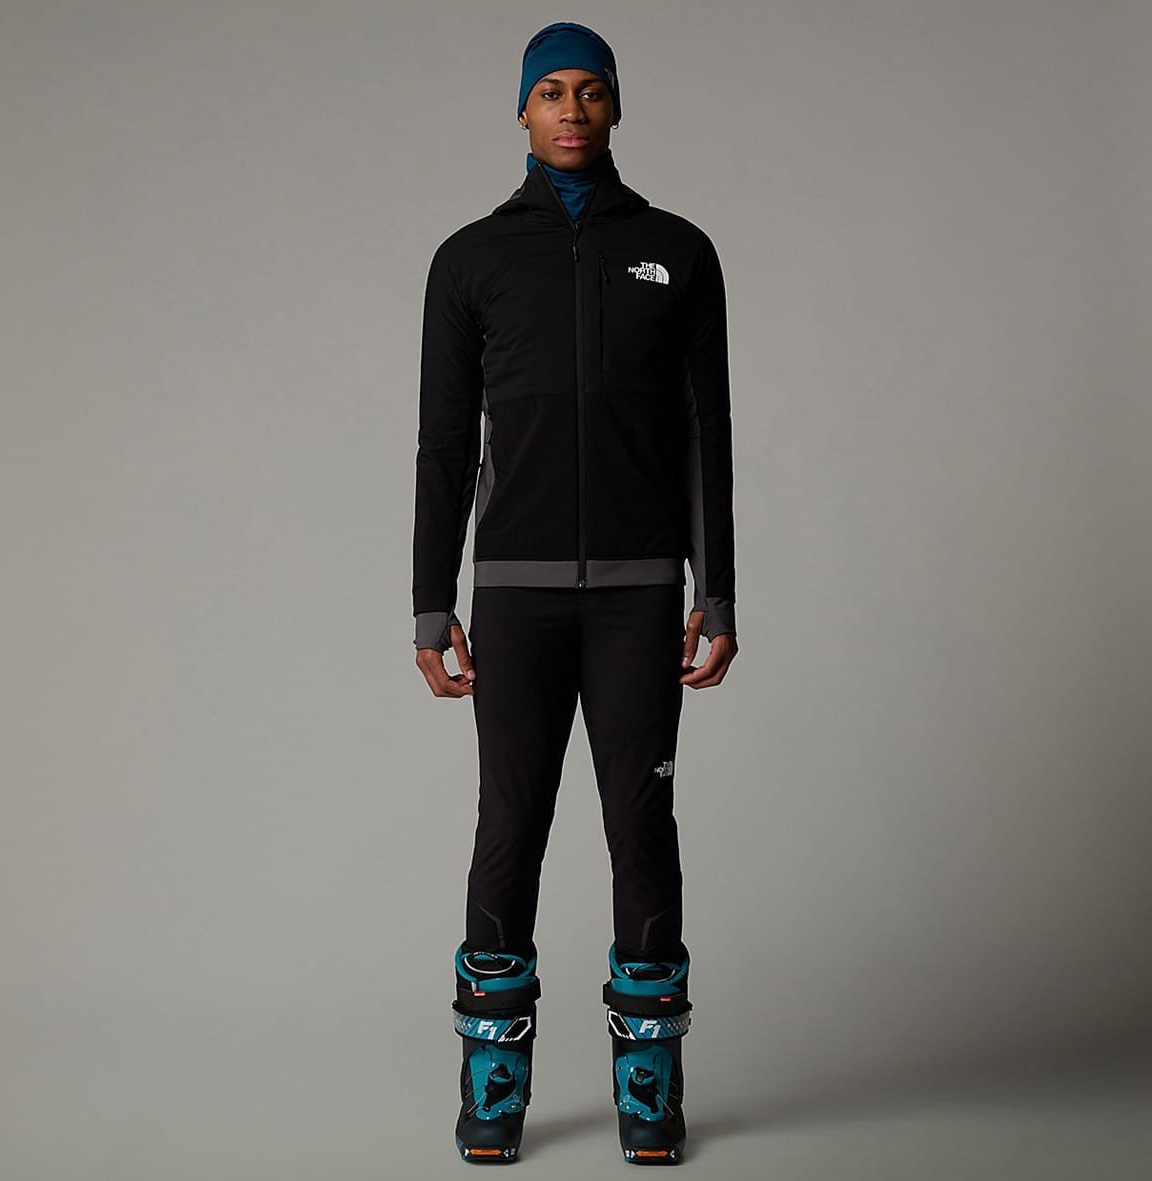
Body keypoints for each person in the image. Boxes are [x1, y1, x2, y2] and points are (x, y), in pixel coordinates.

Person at [411, 21, 738, 1165]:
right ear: (520, 111)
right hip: (515, 595)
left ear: (613, 108)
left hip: (639, 596)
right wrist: (429, 600)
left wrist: (717, 590)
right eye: (547, 90)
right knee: (509, 825)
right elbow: (443, 445)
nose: (568, 108)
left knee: (640, 827)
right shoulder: (468, 261)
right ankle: (492, 1075)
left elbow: (705, 433)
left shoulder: (677, 252)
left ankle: (648, 1077)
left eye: (588, 90)